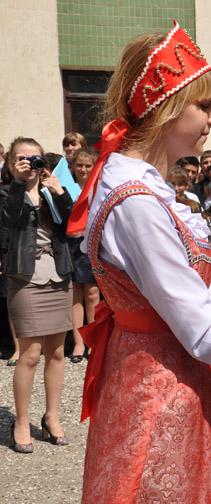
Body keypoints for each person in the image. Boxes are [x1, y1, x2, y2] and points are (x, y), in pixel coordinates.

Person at [65, 22, 211, 502]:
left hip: (155, 373)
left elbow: (199, 298)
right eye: (204, 106)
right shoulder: (139, 201)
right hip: (157, 386)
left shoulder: (136, 185)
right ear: (165, 108)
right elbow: (202, 330)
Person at [3, 137, 74, 453]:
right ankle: (20, 420)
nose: (30, 164)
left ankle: (51, 417)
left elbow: (73, 225)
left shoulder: (52, 189)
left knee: (57, 352)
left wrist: (61, 194)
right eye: (22, 159)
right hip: (25, 276)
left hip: (58, 274)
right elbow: (8, 220)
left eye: (35, 159)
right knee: (30, 353)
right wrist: (19, 184)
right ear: (10, 162)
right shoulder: (7, 191)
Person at [68, 148, 100, 363]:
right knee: (75, 294)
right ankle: (78, 342)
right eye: (79, 165)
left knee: (92, 294)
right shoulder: (65, 187)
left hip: (90, 244)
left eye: (88, 165)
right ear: (73, 166)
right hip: (69, 243)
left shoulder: (99, 188)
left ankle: (94, 342)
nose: (83, 169)